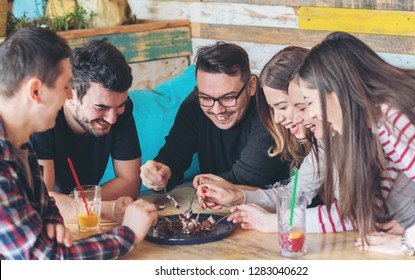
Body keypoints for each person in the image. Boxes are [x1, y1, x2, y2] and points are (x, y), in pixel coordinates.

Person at [198, 48, 415, 242]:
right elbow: (295, 193)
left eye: (291, 106)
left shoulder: (373, 133)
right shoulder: (325, 137)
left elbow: (355, 214)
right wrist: (240, 197)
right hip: (383, 240)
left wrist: (275, 223)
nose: (279, 118)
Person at [295, 31, 415, 255]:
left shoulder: (399, 114)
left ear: (335, 92)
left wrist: (408, 242)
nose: (315, 114)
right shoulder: (382, 122)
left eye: (310, 103)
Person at [0, 27, 157, 260]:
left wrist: (51, 221)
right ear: (35, 91)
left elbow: (44, 204)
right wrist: (129, 233)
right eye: (65, 87)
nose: (68, 96)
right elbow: (46, 259)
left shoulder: (18, 146)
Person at [140, 42, 290, 192]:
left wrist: (202, 183)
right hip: (219, 206)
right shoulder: (195, 104)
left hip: (273, 207)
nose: (217, 110)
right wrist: (160, 174)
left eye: (229, 97)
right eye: (206, 98)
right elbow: (173, 155)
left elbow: (248, 178)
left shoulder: (269, 108)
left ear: (251, 86)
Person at [30, 40, 141, 223]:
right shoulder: (43, 118)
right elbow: (42, 202)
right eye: (101, 107)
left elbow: (130, 182)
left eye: (119, 105)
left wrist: (74, 205)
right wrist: (106, 208)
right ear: (70, 94)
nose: (112, 119)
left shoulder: (119, 111)